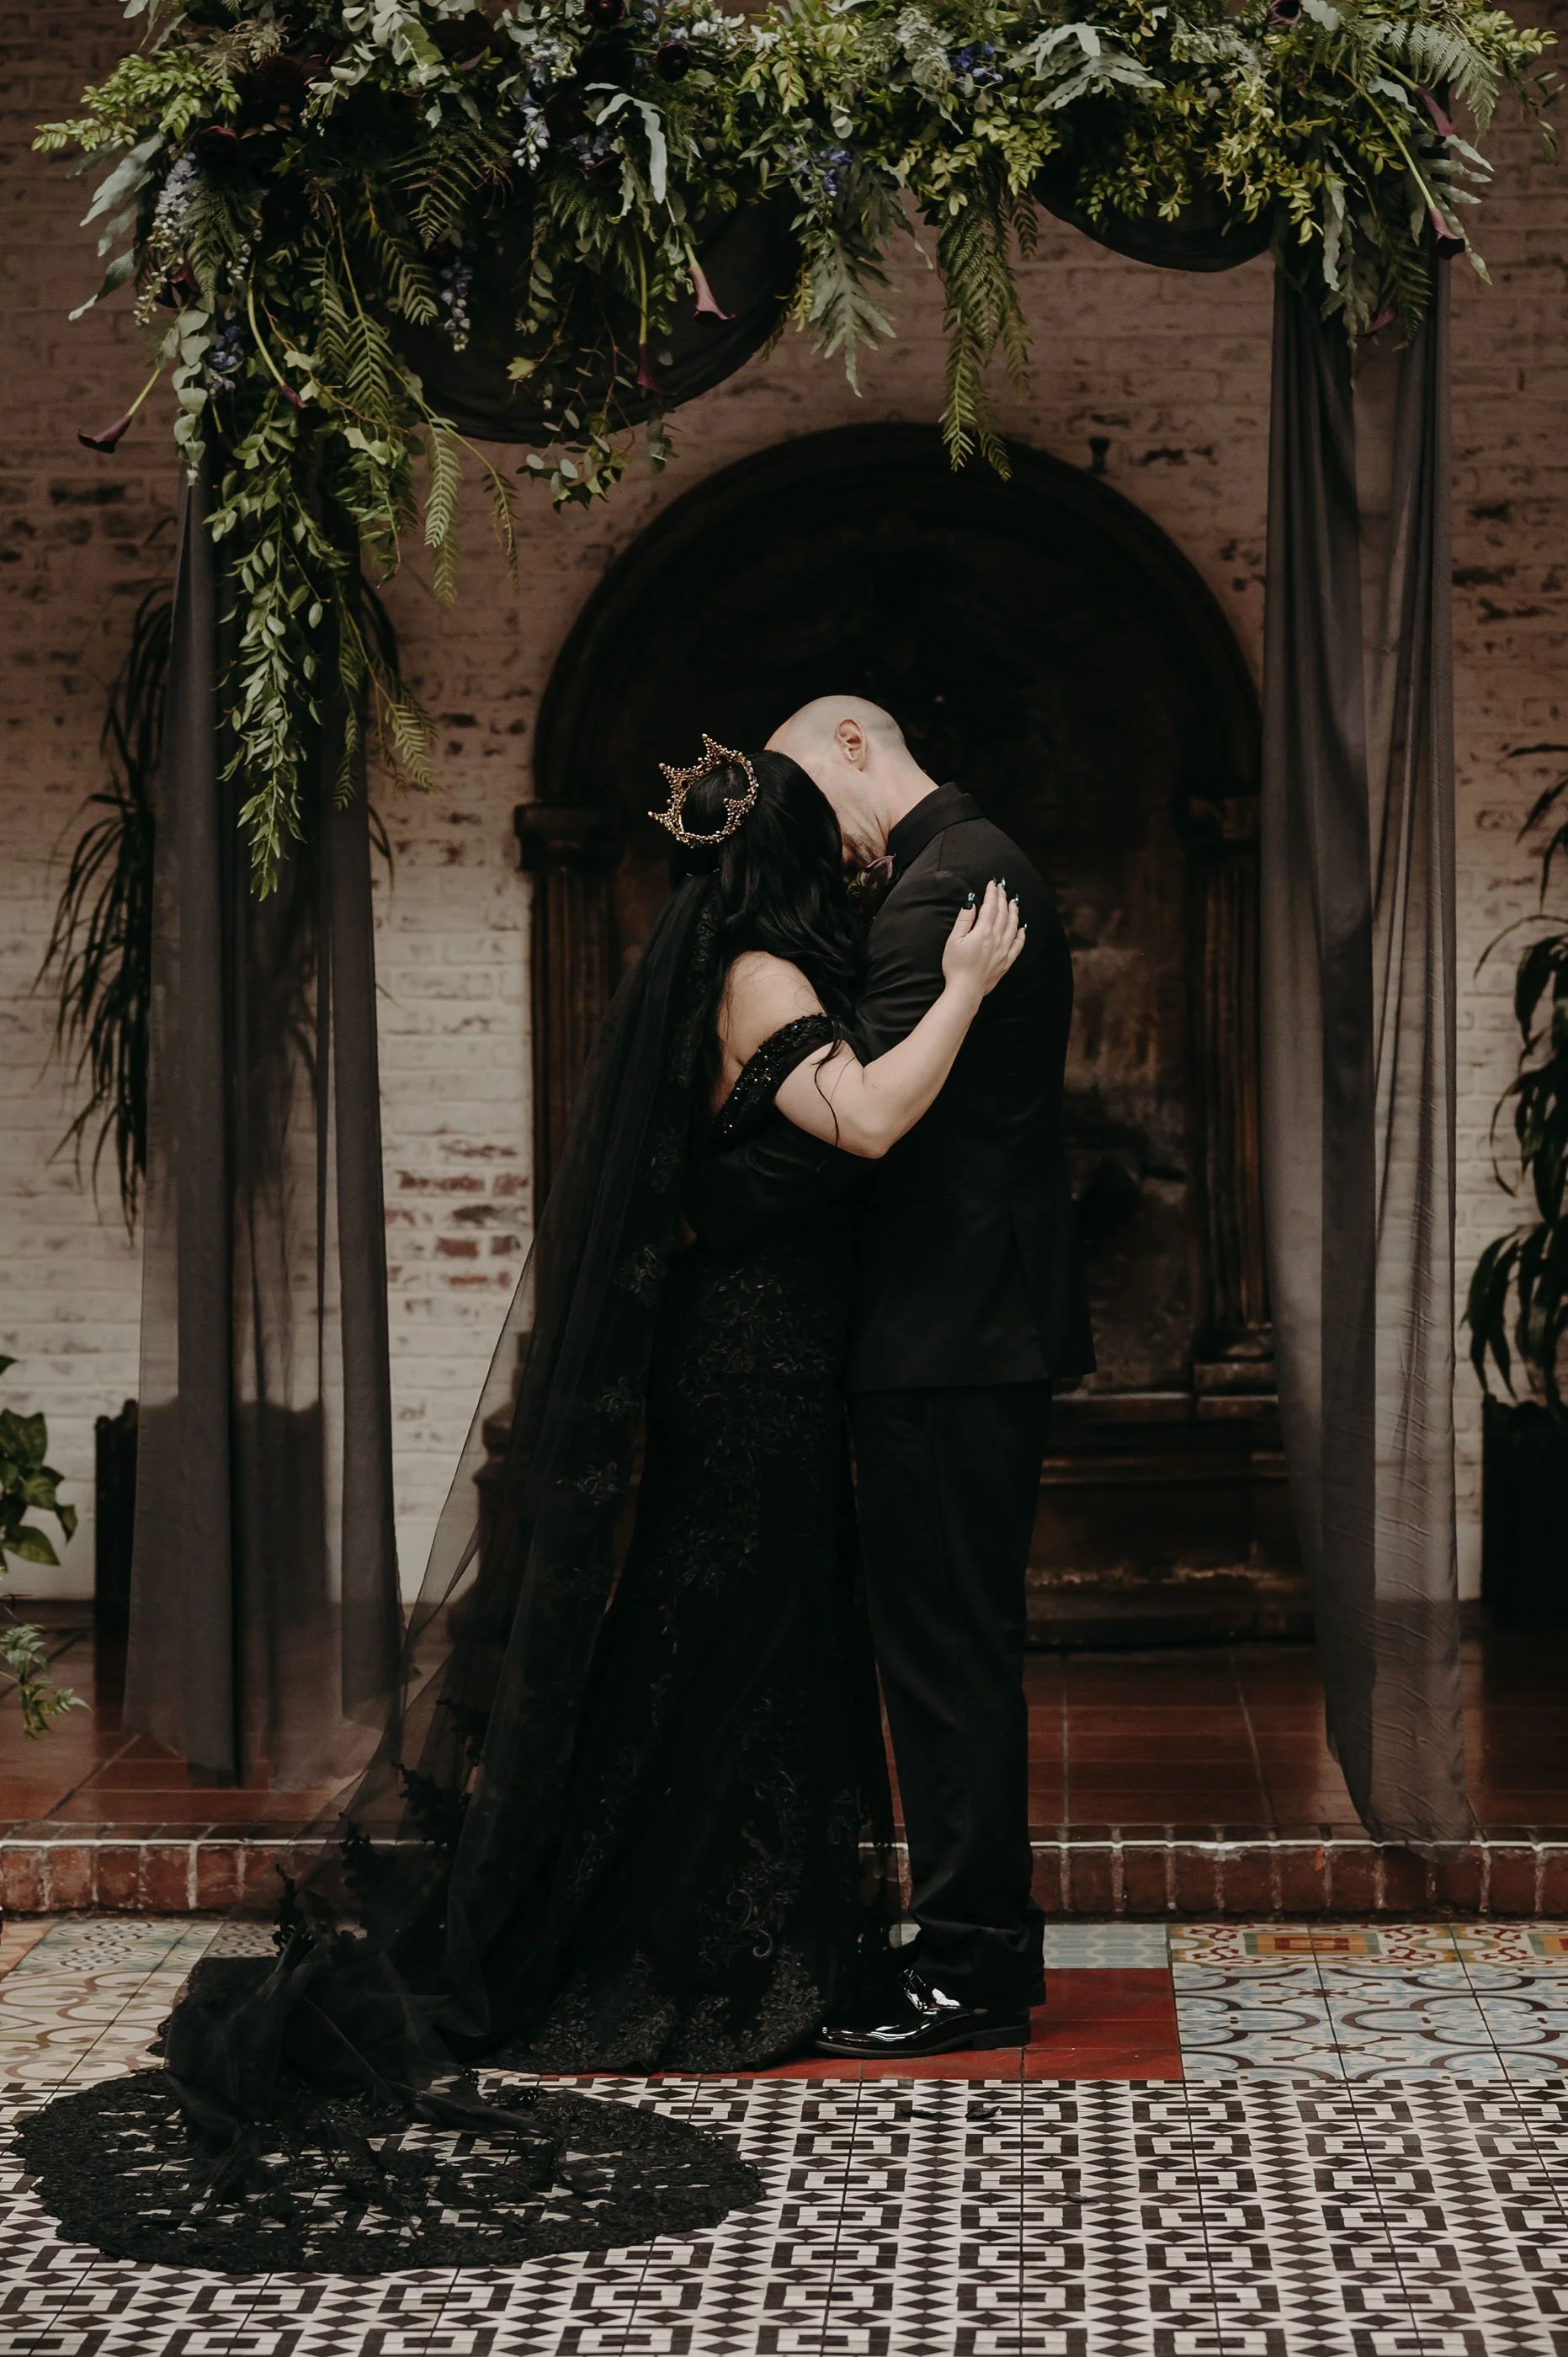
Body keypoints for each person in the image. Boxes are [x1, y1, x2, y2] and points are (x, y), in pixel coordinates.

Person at [22, 739, 1029, 2278]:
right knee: (731, 1642)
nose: (849, 873)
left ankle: (735, 1914)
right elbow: (874, 1121)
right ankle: (682, 1935)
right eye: (832, 849)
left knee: (745, 1640)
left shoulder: (746, 957)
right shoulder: (760, 973)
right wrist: (960, 986)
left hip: (772, 1360)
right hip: (748, 1368)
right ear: (782, 861)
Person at [687, 697, 1095, 2061]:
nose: (814, 833)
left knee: (943, 1656)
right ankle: (967, 1946)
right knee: (945, 1646)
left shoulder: (942, 891)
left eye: (808, 788)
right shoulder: (959, 867)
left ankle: (972, 1966)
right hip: (964, 1327)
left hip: (945, 1334)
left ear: (854, 745)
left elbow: (869, 1126)